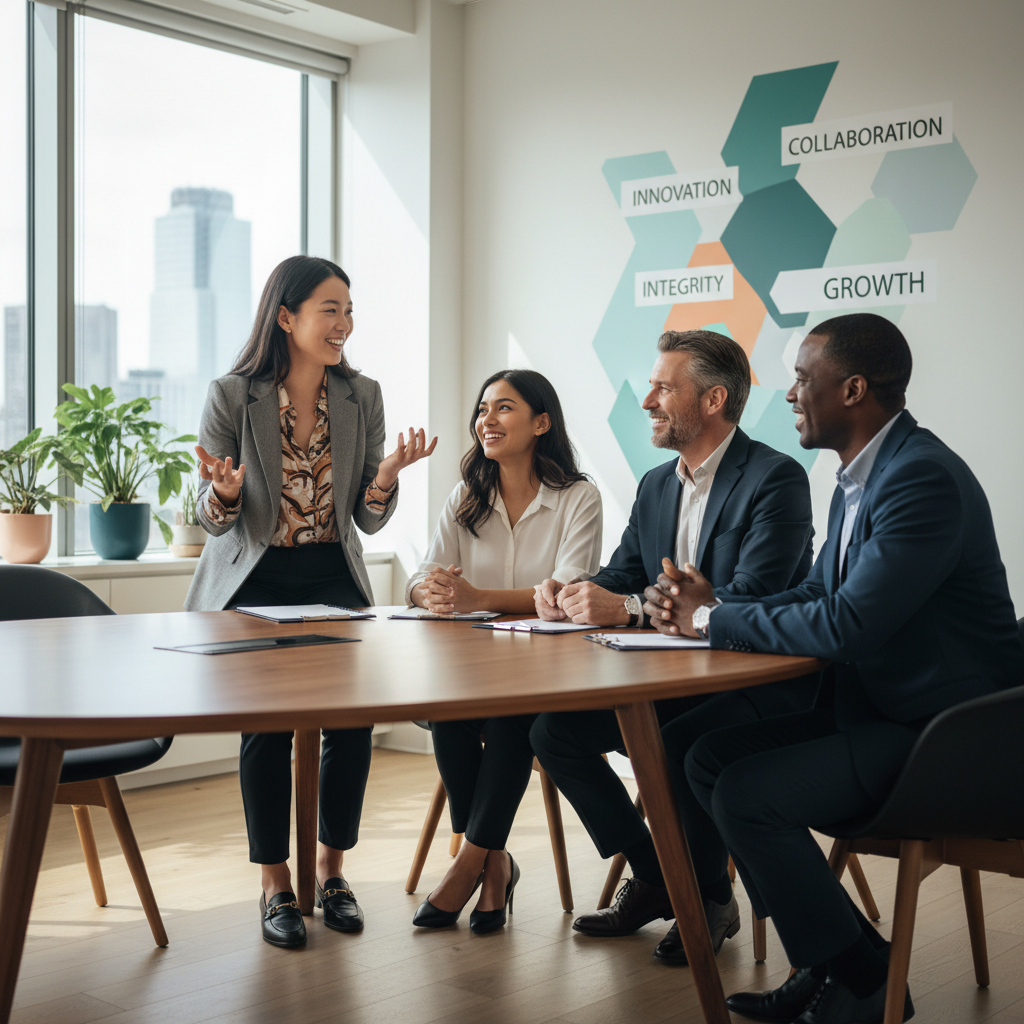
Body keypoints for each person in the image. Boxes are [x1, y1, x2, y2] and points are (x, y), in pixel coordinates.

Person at [657, 313, 1023, 1023]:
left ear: (852, 389)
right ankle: (845, 963)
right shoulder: (864, 477)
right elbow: (824, 593)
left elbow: (849, 625)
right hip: (883, 709)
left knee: (745, 792)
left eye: (802, 378)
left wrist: (710, 620)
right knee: (704, 757)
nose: (791, 393)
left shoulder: (921, 479)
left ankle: (856, 977)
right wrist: (721, 604)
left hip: (942, 735)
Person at [530, 328, 817, 965]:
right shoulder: (658, 482)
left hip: (756, 682)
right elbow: (622, 573)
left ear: (713, 400)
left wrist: (631, 607)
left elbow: (754, 597)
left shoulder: (777, 479)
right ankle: (666, 880)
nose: (647, 400)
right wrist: (571, 591)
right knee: (554, 733)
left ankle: (707, 897)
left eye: (664, 386)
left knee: (680, 738)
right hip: (672, 677)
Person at [185, 255, 435, 949]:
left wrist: (383, 479)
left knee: (349, 726)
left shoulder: (363, 396)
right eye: (331, 310)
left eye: (349, 312)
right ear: (287, 316)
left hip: (331, 574)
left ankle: (331, 874)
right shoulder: (232, 396)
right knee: (266, 728)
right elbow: (209, 515)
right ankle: (275, 884)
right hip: (255, 579)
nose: (344, 324)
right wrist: (226, 495)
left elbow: (368, 519)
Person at [406, 368, 602, 932]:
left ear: (542, 423)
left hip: (549, 673)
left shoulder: (578, 497)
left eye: (504, 408)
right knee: (453, 708)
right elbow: (424, 571)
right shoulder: (466, 496)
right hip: (470, 665)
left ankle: (470, 859)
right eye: (482, 409)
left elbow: (563, 594)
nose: (486, 420)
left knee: (508, 712)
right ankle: (495, 864)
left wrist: (475, 596)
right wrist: (430, 590)